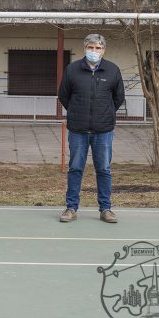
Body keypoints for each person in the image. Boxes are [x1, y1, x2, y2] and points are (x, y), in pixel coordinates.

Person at [57, 33, 125, 223]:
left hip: (103, 131)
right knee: (75, 168)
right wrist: (76, 111)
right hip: (78, 130)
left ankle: (106, 209)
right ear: (84, 48)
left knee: (103, 169)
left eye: (98, 48)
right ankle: (71, 207)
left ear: (104, 50)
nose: (94, 51)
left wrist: (106, 113)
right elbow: (64, 95)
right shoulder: (72, 69)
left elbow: (118, 97)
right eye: (91, 47)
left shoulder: (113, 70)